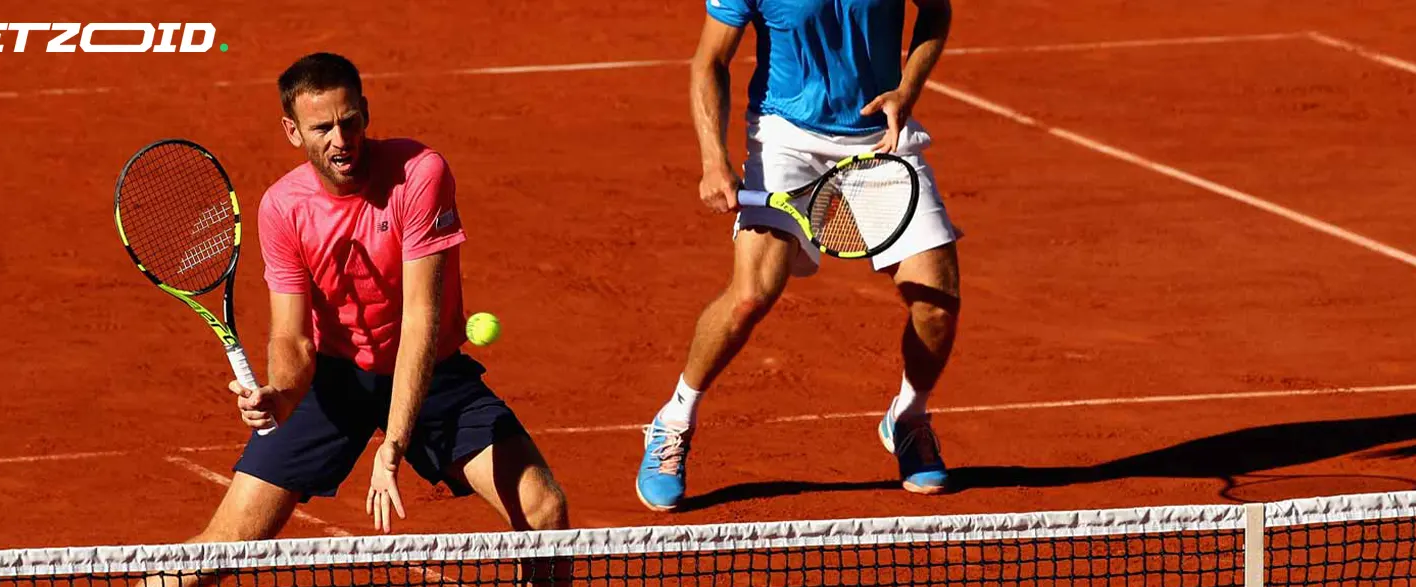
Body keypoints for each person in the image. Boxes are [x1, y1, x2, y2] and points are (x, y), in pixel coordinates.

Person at [181, 52, 569, 550]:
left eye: (349, 121)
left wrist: (394, 446)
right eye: (322, 128)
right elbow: (292, 337)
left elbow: (420, 320)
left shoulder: (419, 174)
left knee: (545, 510)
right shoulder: (282, 207)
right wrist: (281, 394)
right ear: (293, 132)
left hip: (430, 371)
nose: (340, 141)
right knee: (222, 544)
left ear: (365, 111)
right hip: (335, 380)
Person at [636, 0, 959, 512]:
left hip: (882, 135)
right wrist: (712, 159)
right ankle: (673, 419)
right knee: (750, 296)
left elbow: (936, 11)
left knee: (936, 302)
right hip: (785, 137)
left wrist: (907, 89)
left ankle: (909, 418)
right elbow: (709, 61)